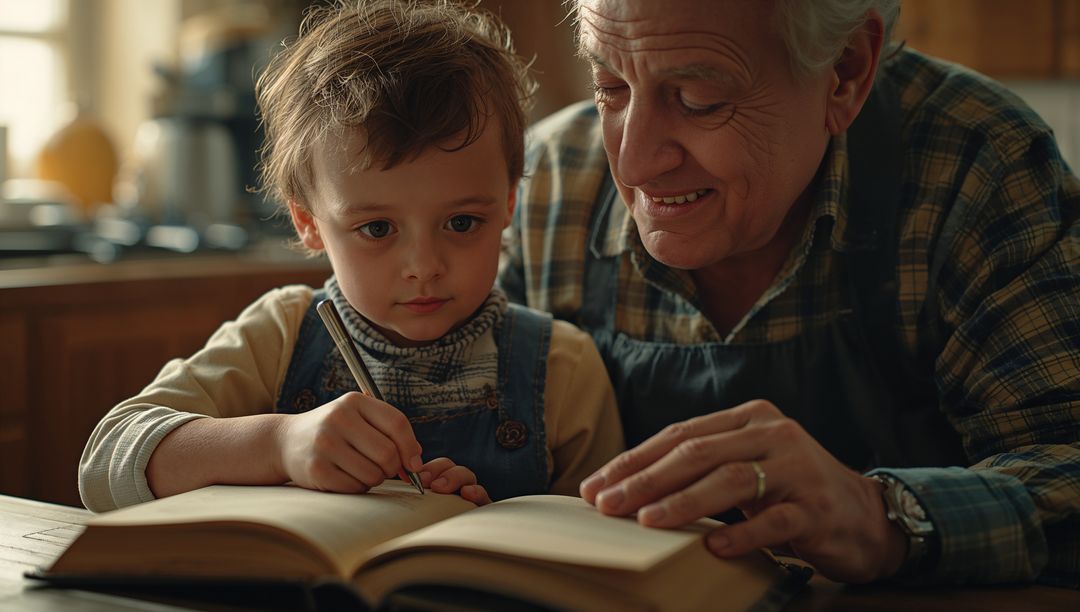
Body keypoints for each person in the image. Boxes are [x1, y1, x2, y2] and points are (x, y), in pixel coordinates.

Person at [499, 0, 1079, 588]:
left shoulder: (974, 167)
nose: (634, 160)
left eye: (700, 99)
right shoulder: (547, 183)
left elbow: (1067, 466)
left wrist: (886, 519)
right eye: (610, 87)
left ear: (844, 73)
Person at [79, 0, 623, 513]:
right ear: (309, 223)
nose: (423, 265)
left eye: (461, 222)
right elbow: (103, 466)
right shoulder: (280, 335)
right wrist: (278, 443)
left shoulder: (563, 370)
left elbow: (601, 553)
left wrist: (497, 526)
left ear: (508, 203)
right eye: (378, 228)